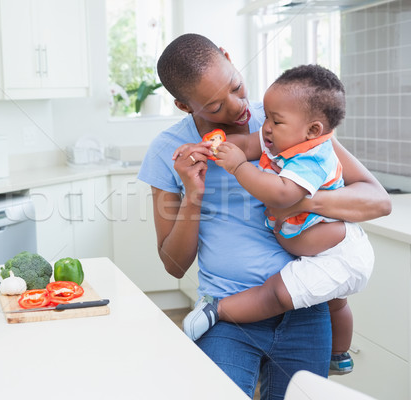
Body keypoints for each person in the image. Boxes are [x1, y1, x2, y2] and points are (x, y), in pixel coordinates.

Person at [137, 33, 391, 399]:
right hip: (227, 316)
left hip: (304, 309)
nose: (237, 107)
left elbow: (377, 200)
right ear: (183, 106)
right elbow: (174, 265)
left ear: (229, 56)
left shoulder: (288, 118)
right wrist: (192, 195)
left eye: (236, 87)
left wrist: (300, 201)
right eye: (214, 106)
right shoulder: (168, 152)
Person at [189, 64, 373, 376]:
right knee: (335, 302)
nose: (267, 126)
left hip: (338, 254)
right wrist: (219, 148)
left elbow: (282, 195)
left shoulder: (313, 156)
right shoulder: (282, 138)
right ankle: (339, 355)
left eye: (276, 120)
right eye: (269, 117)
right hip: (315, 244)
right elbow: (248, 145)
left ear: (312, 131)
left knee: (285, 294)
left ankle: (218, 310)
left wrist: (237, 168)